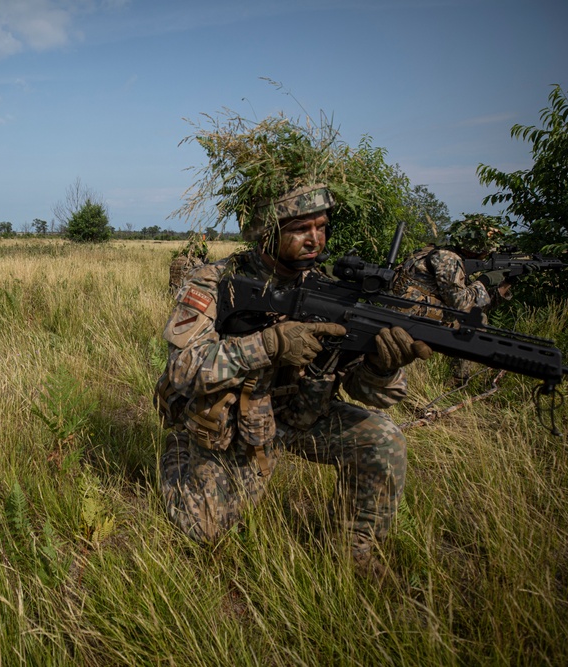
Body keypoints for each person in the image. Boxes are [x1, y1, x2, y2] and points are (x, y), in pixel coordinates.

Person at [155, 183, 432, 572]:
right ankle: (183, 454)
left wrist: (381, 367)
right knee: (205, 531)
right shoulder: (215, 282)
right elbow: (182, 369)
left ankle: (353, 551)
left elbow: (371, 393)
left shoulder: (333, 293)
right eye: (301, 228)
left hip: (300, 418)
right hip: (234, 428)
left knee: (383, 439)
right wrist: (268, 345)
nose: (315, 239)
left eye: (321, 226)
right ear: (266, 230)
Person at [391, 214, 511, 382]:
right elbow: (462, 303)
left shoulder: (433, 250)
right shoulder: (448, 259)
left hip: (410, 311)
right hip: (417, 317)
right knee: (476, 321)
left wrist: (507, 282)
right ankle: (458, 381)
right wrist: (485, 280)